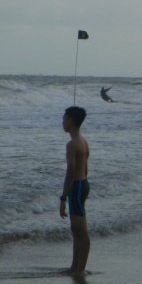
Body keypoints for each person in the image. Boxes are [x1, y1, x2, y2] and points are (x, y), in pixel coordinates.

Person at [59, 106, 91, 274]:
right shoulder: (83, 140)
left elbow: (70, 171)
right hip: (83, 184)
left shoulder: (72, 144)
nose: (62, 122)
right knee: (76, 229)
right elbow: (85, 168)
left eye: (64, 118)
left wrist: (63, 198)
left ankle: (81, 269)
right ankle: (75, 266)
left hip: (77, 186)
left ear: (71, 120)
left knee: (80, 230)